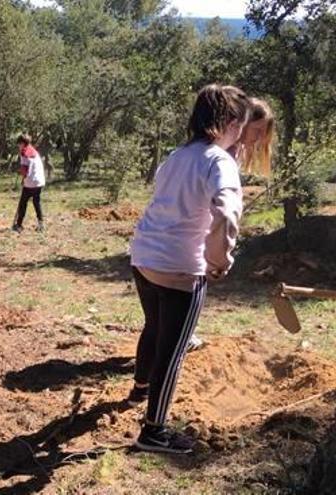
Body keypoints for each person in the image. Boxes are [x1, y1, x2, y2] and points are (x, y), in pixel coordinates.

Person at [126, 84, 250, 454]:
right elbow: (226, 210)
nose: (242, 133)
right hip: (180, 266)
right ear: (229, 122)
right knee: (173, 351)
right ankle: (154, 431)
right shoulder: (219, 161)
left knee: (154, 326)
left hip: (144, 256)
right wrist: (219, 259)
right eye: (240, 125)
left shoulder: (176, 155)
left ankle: (141, 387)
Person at [185, 96, 275, 352]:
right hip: (198, 223)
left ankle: (184, 332)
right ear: (243, 122)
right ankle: (182, 335)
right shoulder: (220, 151)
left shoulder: (232, 150)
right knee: (193, 277)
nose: (258, 139)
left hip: (205, 222)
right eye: (257, 130)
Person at [12, 134, 46, 232]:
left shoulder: (24, 152)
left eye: (19, 144)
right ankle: (41, 225)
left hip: (31, 181)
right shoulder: (33, 150)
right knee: (36, 202)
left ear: (22, 143)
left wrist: (23, 178)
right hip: (39, 181)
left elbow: (25, 169)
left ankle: (18, 225)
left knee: (23, 203)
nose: (18, 146)